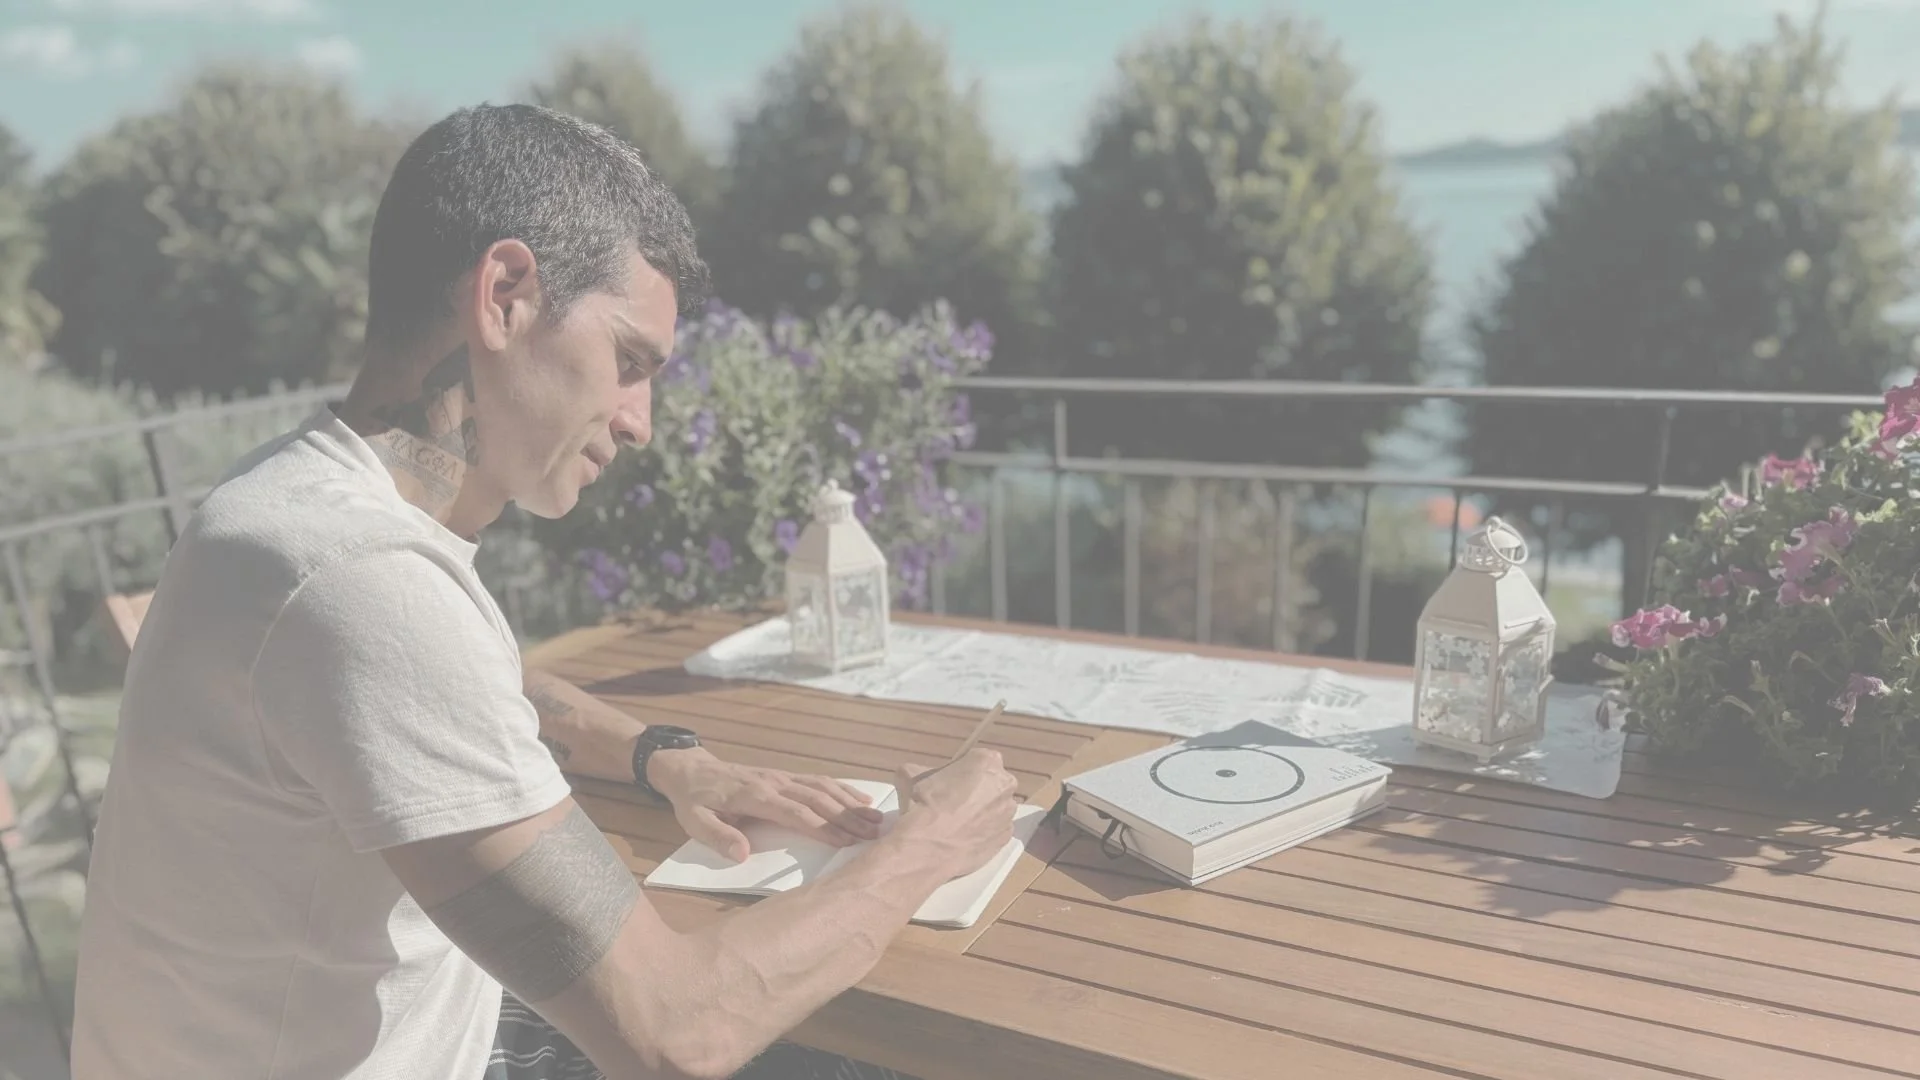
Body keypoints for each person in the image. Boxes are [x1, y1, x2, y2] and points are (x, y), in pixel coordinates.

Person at [67, 103, 1019, 1080]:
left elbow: (490, 692)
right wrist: (930, 843)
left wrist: (665, 756)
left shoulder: (296, 505)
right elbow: (677, 1032)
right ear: (507, 293)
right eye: (630, 362)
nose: (641, 421)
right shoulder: (359, 581)